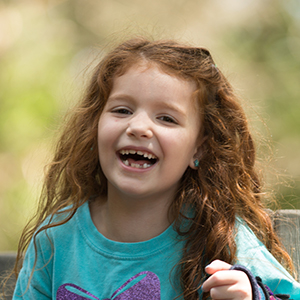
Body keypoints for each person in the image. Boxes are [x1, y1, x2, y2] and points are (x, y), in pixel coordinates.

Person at [12, 37, 300, 300]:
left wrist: (252, 295)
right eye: (122, 110)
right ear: (94, 127)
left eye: (166, 118)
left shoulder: (220, 235)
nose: (138, 127)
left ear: (198, 149)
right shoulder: (56, 239)